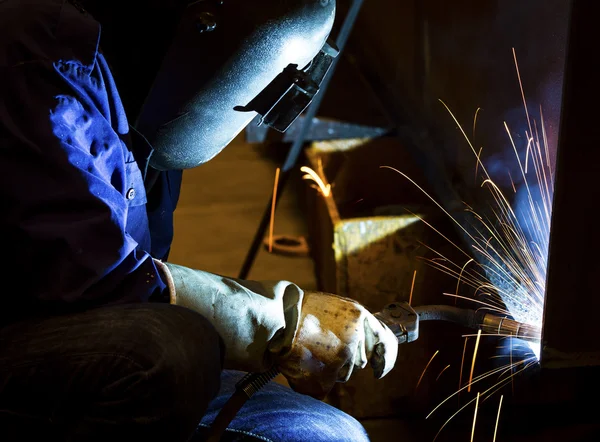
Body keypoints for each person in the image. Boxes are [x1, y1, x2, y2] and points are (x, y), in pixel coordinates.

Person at [0, 0, 399, 441]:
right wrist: (285, 323)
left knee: (330, 435)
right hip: (22, 341)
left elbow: (146, 282)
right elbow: (95, 287)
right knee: (174, 349)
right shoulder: (41, 58)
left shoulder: (148, 93)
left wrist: (280, 333)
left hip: (98, 351)